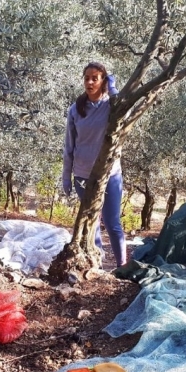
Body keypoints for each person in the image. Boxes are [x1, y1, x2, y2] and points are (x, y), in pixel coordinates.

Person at [63, 62, 127, 267]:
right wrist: (67, 176)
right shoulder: (76, 109)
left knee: (112, 223)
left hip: (110, 173)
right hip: (83, 174)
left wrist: (113, 87)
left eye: (95, 78)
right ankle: (96, 266)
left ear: (103, 81)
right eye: (86, 78)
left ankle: (121, 266)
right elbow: (69, 145)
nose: (89, 82)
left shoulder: (111, 106)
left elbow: (123, 107)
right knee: (92, 223)